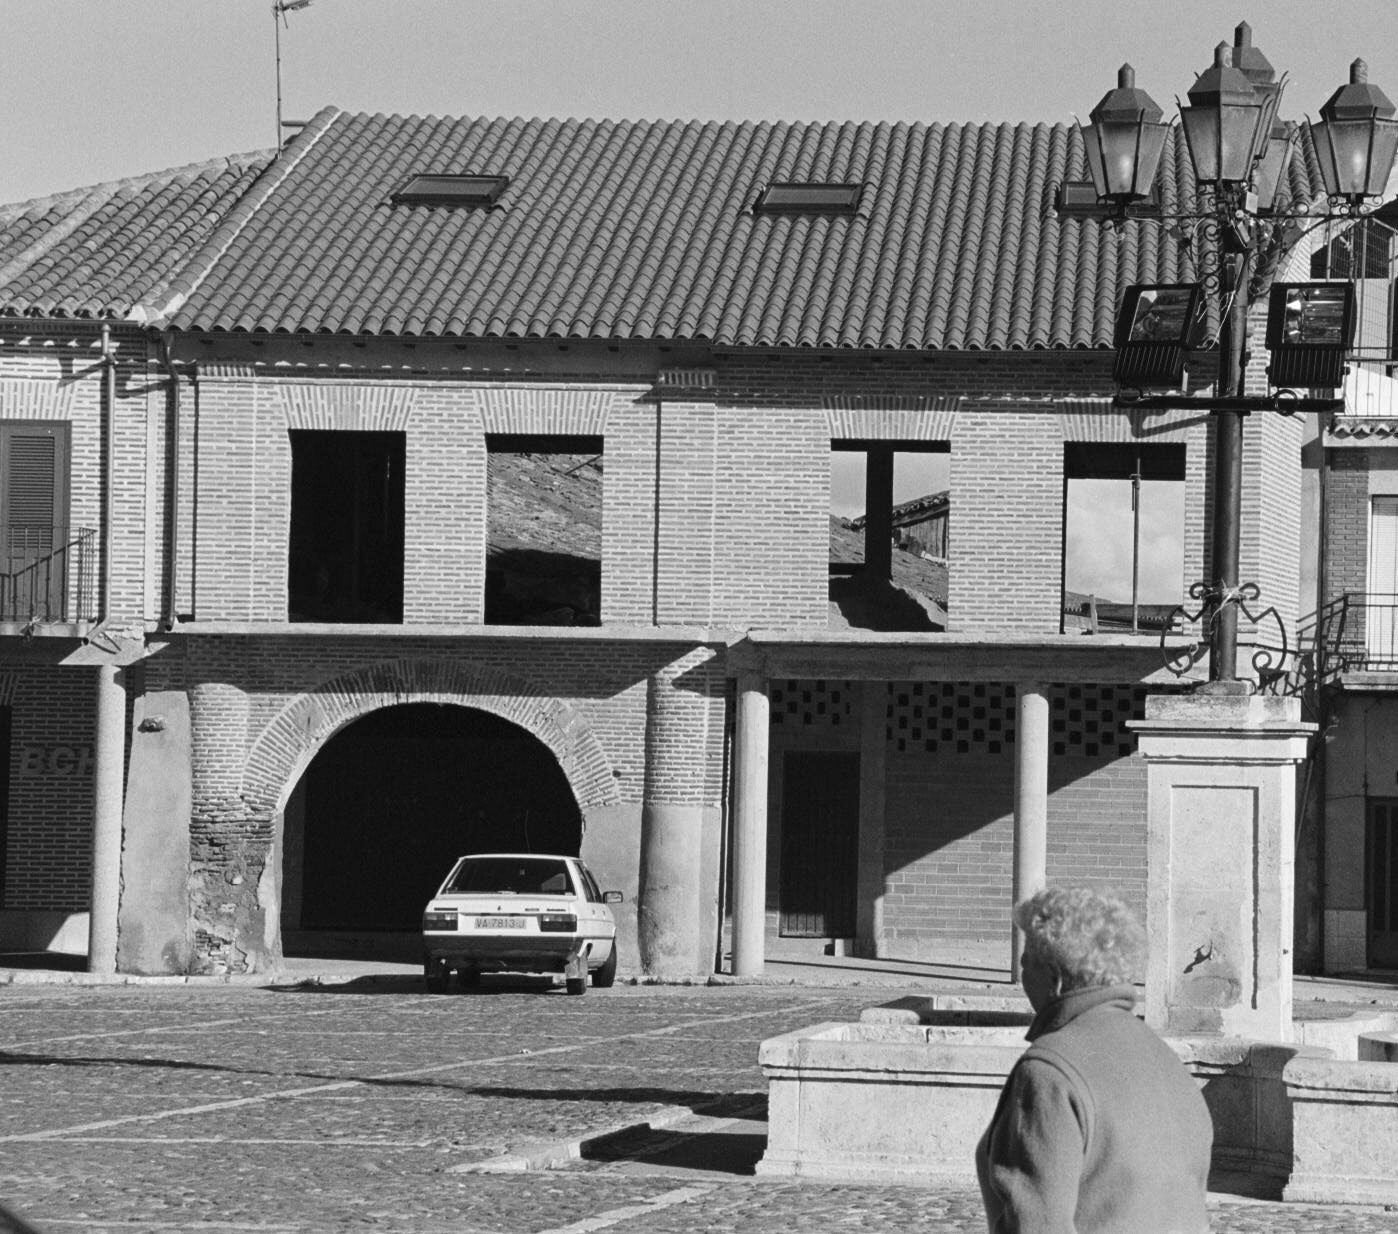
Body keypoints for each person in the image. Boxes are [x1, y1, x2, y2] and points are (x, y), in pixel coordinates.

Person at [975, 885, 1213, 1234]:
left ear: (1055, 980)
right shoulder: (1165, 1059)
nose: (1022, 977)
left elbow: (1038, 1224)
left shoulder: (1049, 1070)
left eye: (1026, 965)